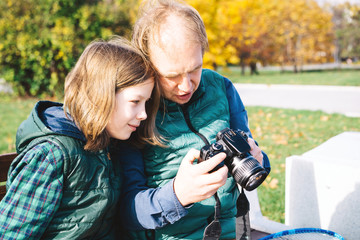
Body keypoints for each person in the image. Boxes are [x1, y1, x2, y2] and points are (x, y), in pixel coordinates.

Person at [118, 0, 271, 239]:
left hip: (233, 233)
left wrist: (258, 159)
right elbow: (126, 210)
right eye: (172, 75)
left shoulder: (221, 88)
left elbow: (250, 155)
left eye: (195, 69)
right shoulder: (136, 110)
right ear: (148, 62)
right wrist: (179, 194)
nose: (186, 85)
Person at [0, 36, 161, 239]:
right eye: (135, 101)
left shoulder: (108, 146)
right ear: (101, 95)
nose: (143, 114)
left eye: (145, 103)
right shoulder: (53, 156)